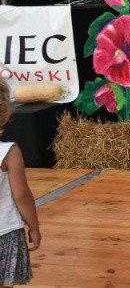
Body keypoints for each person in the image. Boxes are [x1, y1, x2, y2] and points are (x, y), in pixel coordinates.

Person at [0, 78, 41, 286]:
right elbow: (22, 196)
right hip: (4, 233)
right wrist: (34, 226)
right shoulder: (9, 152)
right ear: (5, 114)